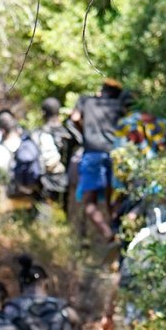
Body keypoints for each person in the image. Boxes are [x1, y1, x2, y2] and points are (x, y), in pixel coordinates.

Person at [73, 80, 126, 243]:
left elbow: (74, 117)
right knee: (115, 200)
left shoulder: (86, 101)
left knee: (89, 202)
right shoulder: (119, 106)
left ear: (101, 90)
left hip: (92, 153)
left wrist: (84, 133)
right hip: (115, 154)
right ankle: (119, 232)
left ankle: (107, 232)